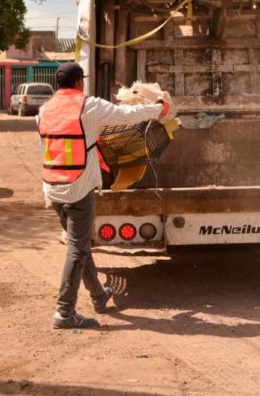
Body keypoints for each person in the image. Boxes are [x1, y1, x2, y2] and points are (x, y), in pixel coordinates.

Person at [38, 63, 173, 329]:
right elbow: (126, 114)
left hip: (52, 186)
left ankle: (99, 296)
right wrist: (159, 109)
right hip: (78, 186)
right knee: (78, 248)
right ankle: (64, 312)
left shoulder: (43, 110)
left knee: (80, 245)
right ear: (79, 83)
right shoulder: (88, 106)